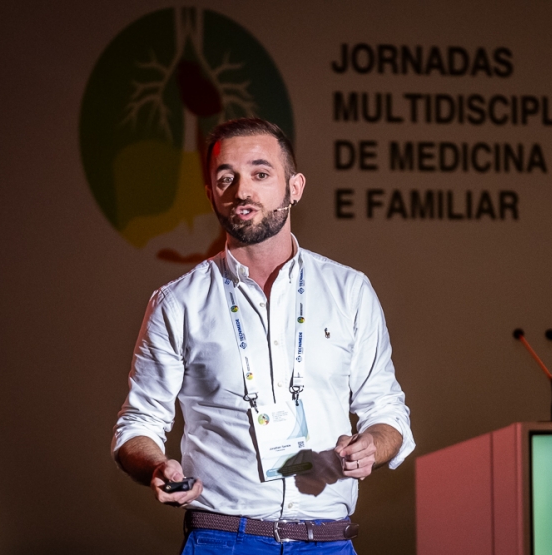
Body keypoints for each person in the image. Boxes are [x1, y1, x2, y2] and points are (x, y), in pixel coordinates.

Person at [112, 118, 414, 554]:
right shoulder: (178, 303)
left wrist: (373, 445)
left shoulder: (349, 290)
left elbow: (385, 409)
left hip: (327, 541)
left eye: (260, 173)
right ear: (211, 195)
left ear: (295, 187)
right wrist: (157, 465)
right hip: (222, 539)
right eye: (226, 178)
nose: (241, 191)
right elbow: (139, 423)